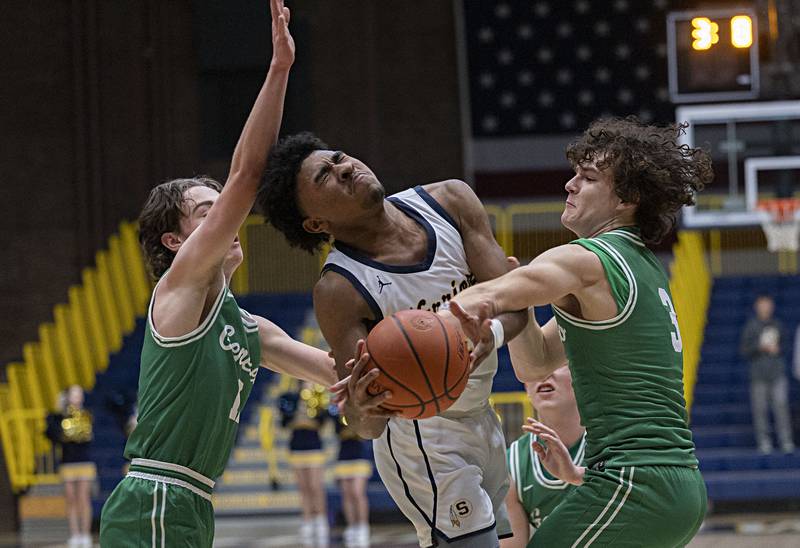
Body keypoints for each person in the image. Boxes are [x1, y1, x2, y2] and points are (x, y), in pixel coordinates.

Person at [99, 4, 337, 546]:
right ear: (175, 242)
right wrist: (279, 69)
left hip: (193, 503)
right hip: (154, 498)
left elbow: (334, 371)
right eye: (208, 213)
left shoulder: (253, 331)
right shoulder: (179, 289)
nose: (228, 219)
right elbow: (247, 175)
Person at [449, 117, 713, 547]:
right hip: (671, 482)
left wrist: (461, 308)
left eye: (587, 178)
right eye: (575, 174)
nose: (570, 185)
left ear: (627, 197)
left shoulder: (590, 259)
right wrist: (522, 312)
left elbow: (528, 282)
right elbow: (535, 363)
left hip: (635, 483)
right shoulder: (643, 267)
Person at [257, 133, 528, 547]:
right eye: (325, 176)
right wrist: (362, 406)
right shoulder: (340, 290)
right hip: (424, 439)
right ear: (315, 223)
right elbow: (365, 423)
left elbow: (517, 308)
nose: (345, 167)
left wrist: (489, 334)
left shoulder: (451, 201)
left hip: (481, 416)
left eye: (339, 156)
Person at [500, 366, 585, 548]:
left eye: (556, 363)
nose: (544, 372)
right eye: (534, 364)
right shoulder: (512, 464)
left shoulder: (613, 442)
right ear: (526, 387)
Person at [740, 294, 795, 454]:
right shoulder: (751, 326)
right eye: (762, 305)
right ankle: (764, 441)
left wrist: (778, 349)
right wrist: (760, 347)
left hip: (777, 372)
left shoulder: (778, 324)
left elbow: (785, 346)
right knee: (760, 410)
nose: (765, 308)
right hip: (758, 374)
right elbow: (744, 350)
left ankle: (785, 440)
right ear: (757, 306)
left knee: (781, 407)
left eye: (768, 305)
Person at [279, 382, 331, 547]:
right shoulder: (291, 398)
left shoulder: (318, 396)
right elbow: (284, 421)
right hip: (297, 446)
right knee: (304, 488)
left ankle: (321, 521)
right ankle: (307, 521)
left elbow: (323, 420)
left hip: (314, 445)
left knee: (316, 486)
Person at [46, 385, 96, 548]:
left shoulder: (87, 414)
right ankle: (75, 534)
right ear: (68, 397)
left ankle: (86, 534)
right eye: (74, 394)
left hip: (84, 460)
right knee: (71, 499)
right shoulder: (60, 417)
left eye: (80, 394)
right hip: (68, 461)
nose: (78, 397)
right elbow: (51, 434)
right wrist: (59, 412)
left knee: (84, 498)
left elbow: (89, 438)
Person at [331, 401, 372, 548]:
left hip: (360, 453)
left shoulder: (361, 405)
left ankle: (362, 527)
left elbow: (368, 431)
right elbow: (336, 430)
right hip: (343, 453)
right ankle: (352, 526)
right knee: (347, 494)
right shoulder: (337, 407)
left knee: (357, 492)